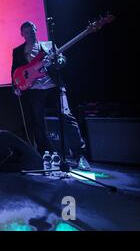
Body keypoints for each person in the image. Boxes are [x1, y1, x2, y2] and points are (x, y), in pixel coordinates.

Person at [11, 21, 91, 171]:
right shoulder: (17, 51)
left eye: (32, 31)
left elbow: (62, 59)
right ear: (22, 34)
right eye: (26, 32)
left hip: (54, 87)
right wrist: (16, 86)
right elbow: (15, 71)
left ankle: (80, 155)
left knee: (66, 117)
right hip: (34, 90)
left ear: (36, 31)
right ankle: (44, 154)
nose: (30, 35)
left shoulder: (48, 45)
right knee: (38, 123)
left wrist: (57, 62)